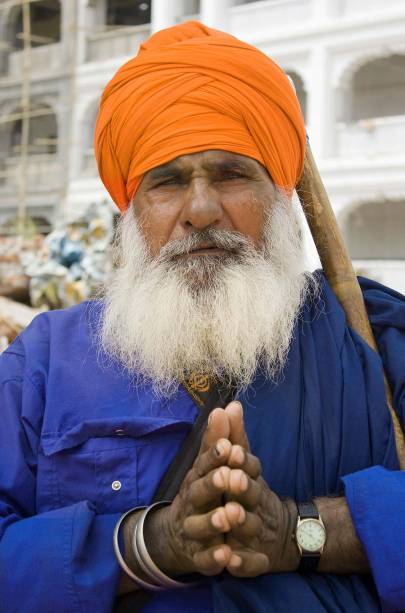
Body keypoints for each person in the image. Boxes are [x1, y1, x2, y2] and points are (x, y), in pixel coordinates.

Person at [0, 21, 404, 613]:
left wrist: (298, 531)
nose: (200, 209)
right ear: (130, 215)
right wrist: (150, 546)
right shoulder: (45, 361)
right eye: (166, 183)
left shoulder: (371, 338)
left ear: (283, 198)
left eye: (232, 174)